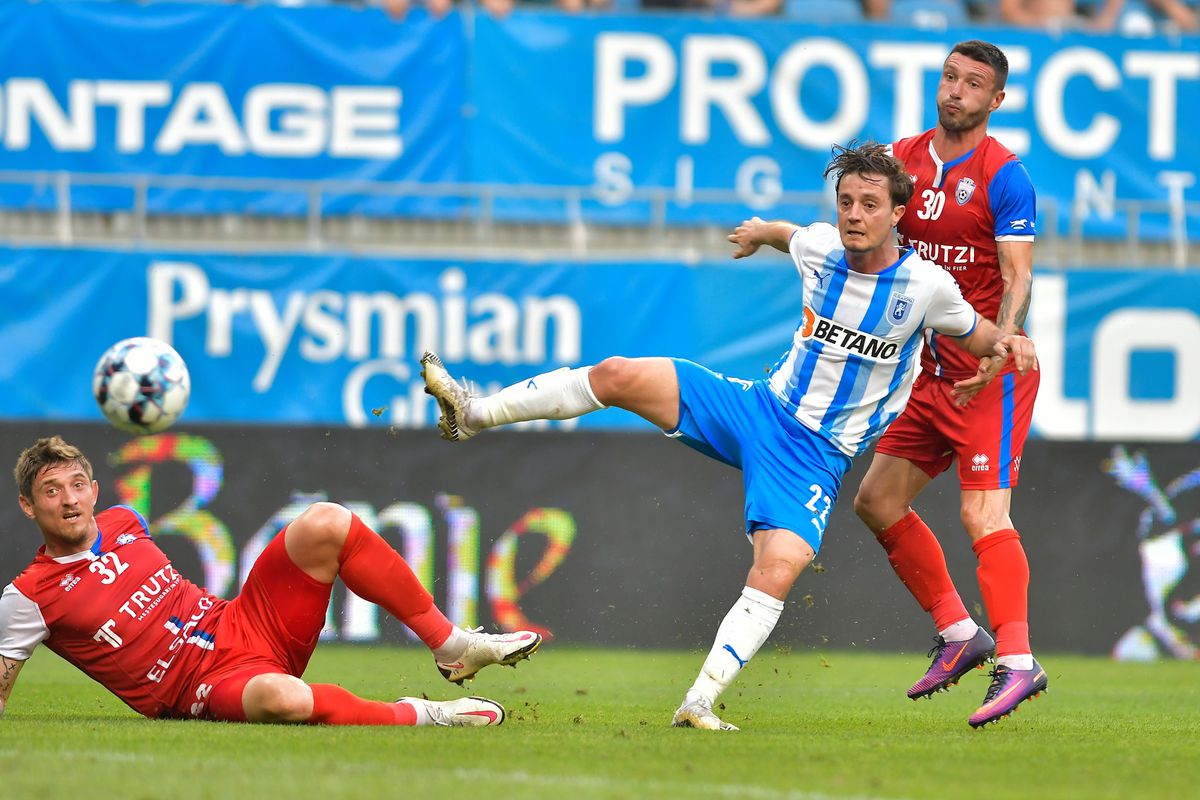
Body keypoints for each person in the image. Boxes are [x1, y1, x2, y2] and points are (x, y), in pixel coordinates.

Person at [419, 141, 1037, 731]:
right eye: (846, 201)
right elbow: (781, 231)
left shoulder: (925, 287)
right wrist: (755, 232)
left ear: (898, 214)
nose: (854, 215)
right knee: (617, 375)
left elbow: (976, 334)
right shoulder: (820, 247)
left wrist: (1008, 343)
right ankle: (472, 414)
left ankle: (698, 700)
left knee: (779, 566)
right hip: (755, 407)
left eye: (870, 205)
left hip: (814, 455)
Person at [0, 436, 542, 726]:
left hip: (241, 621)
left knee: (327, 521)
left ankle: (454, 646)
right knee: (282, 699)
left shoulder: (124, 521)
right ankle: (426, 715)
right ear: (28, 505)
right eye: (51, 490)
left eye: (76, 484)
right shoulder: (28, 596)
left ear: (95, 490)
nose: (69, 499)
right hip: (200, 687)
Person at [852, 39, 1045, 729]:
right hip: (929, 376)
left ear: (996, 101)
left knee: (982, 516)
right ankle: (962, 634)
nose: (955, 91)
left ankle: (1019, 662)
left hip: (988, 377)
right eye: (949, 78)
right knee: (875, 501)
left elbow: (1017, 275)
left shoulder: (1003, 175)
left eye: (972, 84)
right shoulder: (902, 159)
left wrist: (999, 345)